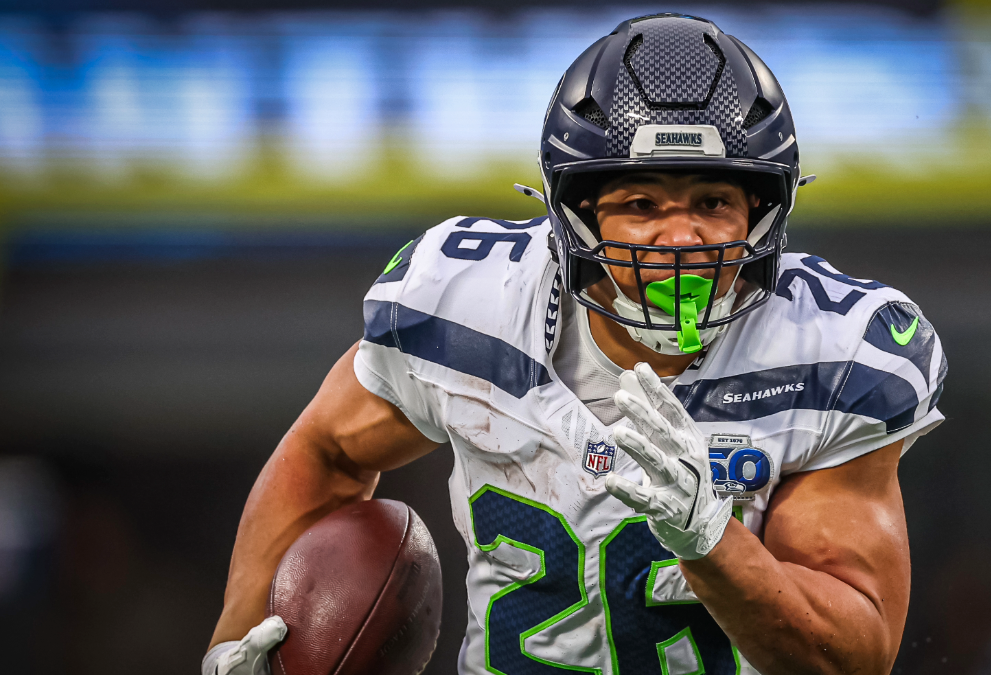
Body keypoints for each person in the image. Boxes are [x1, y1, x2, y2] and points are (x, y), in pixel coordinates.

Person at [204, 13, 948, 675]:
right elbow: (328, 449)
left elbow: (853, 655)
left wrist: (711, 538)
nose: (679, 238)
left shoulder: (832, 351)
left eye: (713, 201)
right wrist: (235, 637)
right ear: (576, 216)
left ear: (765, 210)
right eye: (641, 202)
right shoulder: (469, 304)